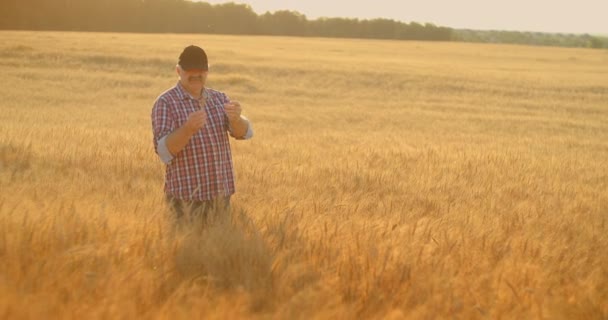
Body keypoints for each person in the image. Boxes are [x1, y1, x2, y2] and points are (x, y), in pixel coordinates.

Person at [151, 45, 253, 222]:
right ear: (178, 70)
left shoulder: (219, 98)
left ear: (207, 71)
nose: (196, 75)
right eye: (190, 70)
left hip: (221, 198)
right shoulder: (166, 103)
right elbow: (163, 152)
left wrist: (236, 120)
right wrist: (188, 129)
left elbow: (244, 133)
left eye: (201, 70)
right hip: (185, 202)